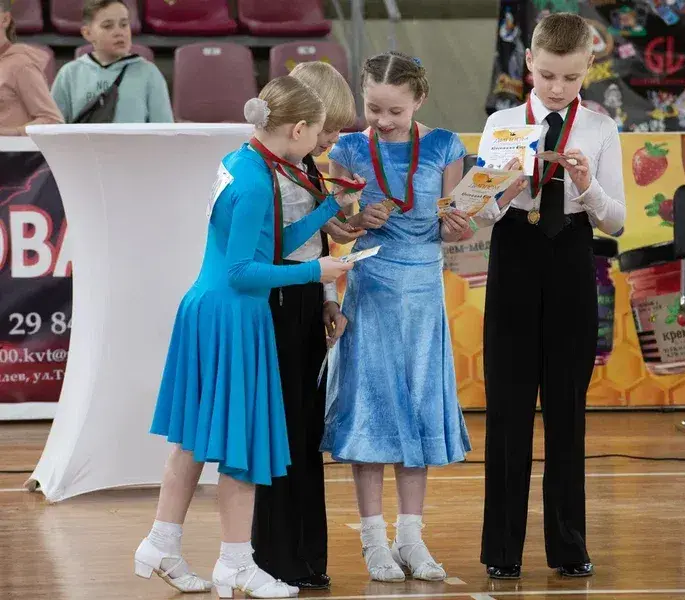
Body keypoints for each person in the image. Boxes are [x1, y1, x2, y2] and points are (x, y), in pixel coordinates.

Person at [133, 76, 359, 598]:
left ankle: (161, 541)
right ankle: (235, 562)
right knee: (243, 443)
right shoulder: (258, 179)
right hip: (235, 313)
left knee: (192, 440)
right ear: (299, 128)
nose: (321, 145)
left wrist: (326, 211)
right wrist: (317, 273)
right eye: (320, 133)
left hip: (207, 309)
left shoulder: (243, 160)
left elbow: (268, 240)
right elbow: (243, 270)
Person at [474, 12, 626, 580]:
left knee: (568, 411)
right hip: (513, 260)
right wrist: (509, 181)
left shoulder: (602, 129)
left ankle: (568, 546)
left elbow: (618, 221)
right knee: (508, 412)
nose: (557, 88)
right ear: (528, 65)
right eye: (546, 76)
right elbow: (479, 211)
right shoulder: (502, 122)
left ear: (589, 67)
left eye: (569, 77)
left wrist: (586, 184)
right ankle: (502, 551)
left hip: (570, 263)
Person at [319, 51, 472, 583]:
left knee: (418, 411)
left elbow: (458, 219)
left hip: (424, 292)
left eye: (395, 112)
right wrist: (357, 219)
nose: (382, 121)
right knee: (371, 414)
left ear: (419, 101)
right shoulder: (347, 148)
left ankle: (411, 537)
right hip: (372, 290)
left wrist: (456, 228)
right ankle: (372, 539)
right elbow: (334, 231)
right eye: (372, 108)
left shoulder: (446, 145)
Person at [251, 61, 363, 591]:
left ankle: (308, 553)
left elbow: (317, 244)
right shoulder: (267, 170)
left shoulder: (307, 167)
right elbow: (282, 245)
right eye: (329, 129)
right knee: (282, 432)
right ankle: (275, 554)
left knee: (305, 432)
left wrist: (326, 300)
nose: (333, 139)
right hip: (274, 303)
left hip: (307, 298)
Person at [51, 0, 172, 123]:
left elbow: (164, 131)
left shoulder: (149, 73)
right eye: (108, 26)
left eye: (124, 24)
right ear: (87, 33)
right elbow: (54, 128)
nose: (119, 32)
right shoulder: (69, 73)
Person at [0, 0, 63, 135]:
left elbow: (52, 121)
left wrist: (11, 133)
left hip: (12, 154)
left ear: (5, 19)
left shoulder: (21, 65)